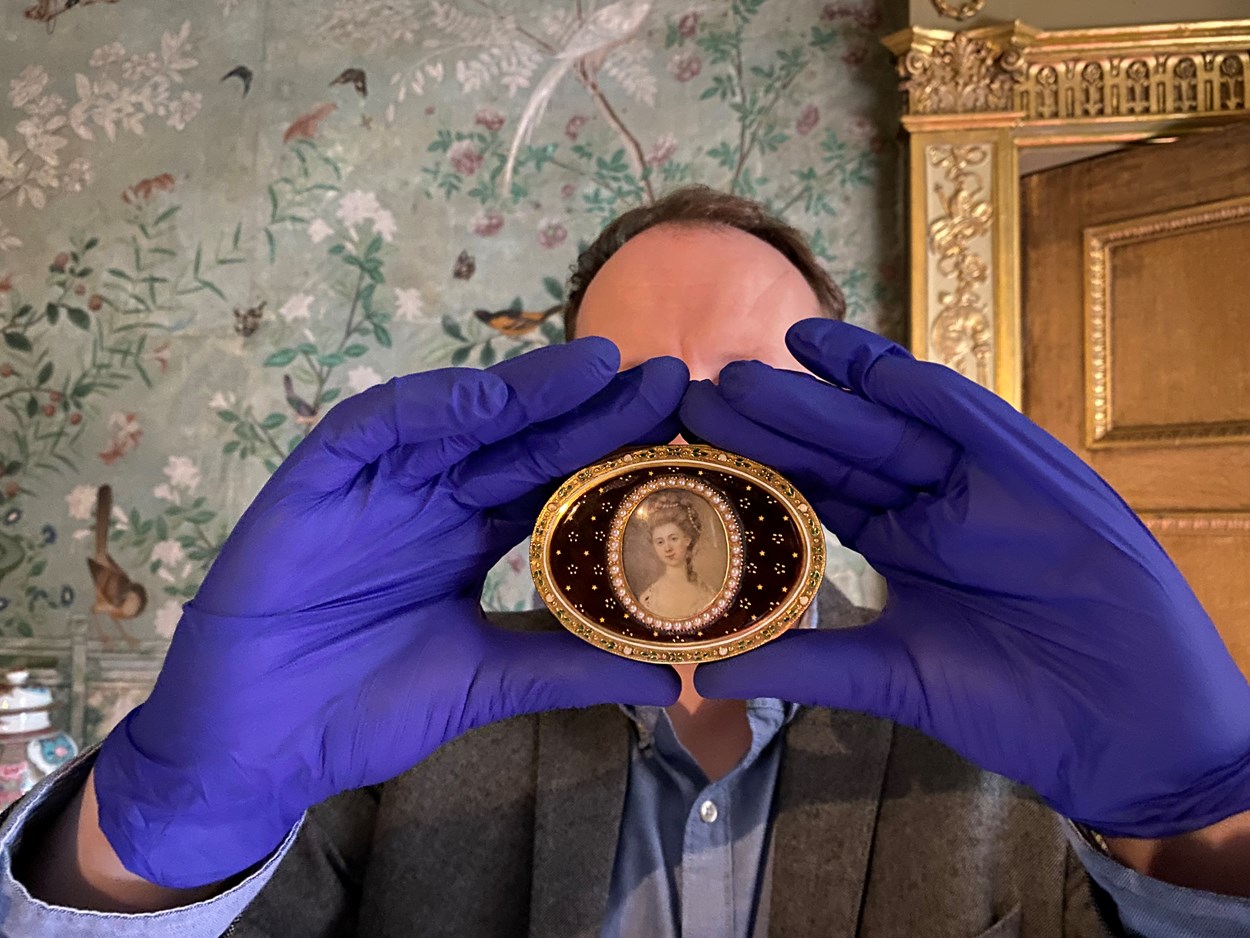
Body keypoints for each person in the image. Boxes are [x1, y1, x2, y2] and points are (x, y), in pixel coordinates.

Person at [3, 186, 1250, 938]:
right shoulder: (381, 722)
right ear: (562, 428)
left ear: (834, 417)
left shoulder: (1018, 734)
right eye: (640, 401)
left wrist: (1205, 839)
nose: (691, 454)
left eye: (752, 400)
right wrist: (137, 849)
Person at [634, 491, 718, 621]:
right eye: (660, 542)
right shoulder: (649, 599)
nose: (667, 548)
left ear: (687, 539)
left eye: (673, 539)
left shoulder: (708, 595)